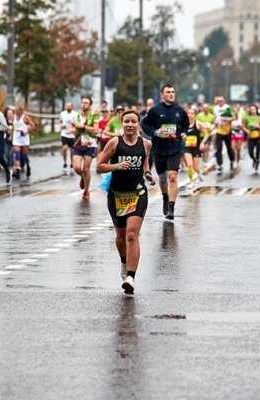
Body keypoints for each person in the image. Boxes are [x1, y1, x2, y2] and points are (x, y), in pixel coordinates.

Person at [96, 109, 153, 295]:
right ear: (122, 123)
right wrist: (117, 166)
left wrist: (147, 173)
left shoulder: (146, 144)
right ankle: (123, 261)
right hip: (116, 195)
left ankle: (130, 277)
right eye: (126, 121)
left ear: (138, 124)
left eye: (133, 122)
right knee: (121, 237)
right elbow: (99, 166)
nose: (130, 124)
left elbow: (145, 161)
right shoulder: (114, 143)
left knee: (131, 235)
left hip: (138, 193)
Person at [141, 84, 189, 221]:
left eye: (173, 92)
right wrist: (155, 132)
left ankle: (171, 208)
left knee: (172, 177)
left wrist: (182, 133)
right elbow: (145, 124)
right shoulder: (155, 111)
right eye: (168, 92)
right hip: (159, 149)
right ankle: (165, 197)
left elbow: (186, 125)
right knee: (162, 179)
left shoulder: (179, 111)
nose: (171, 94)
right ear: (162, 95)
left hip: (175, 148)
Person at [71, 96, 99, 200]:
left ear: (90, 105)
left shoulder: (94, 115)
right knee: (77, 168)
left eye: (86, 103)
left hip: (90, 144)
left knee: (86, 169)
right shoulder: (77, 114)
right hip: (79, 143)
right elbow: (74, 128)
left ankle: (86, 191)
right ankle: (83, 177)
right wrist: (75, 129)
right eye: (82, 103)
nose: (84, 105)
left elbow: (95, 129)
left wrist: (83, 127)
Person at [11, 106, 35, 180]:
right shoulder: (14, 117)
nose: (16, 113)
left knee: (24, 155)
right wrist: (12, 137)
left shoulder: (25, 117)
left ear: (21, 111)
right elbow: (13, 127)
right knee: (16, 153)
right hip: (16, 138)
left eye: (18, 111)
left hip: (24, 138)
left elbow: (33, 126)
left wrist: (26, 131)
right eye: (15, 111)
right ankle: (18, 169)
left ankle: (28, 166)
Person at [183, 107, 203, 187]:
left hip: (196, 148)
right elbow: (181, 133)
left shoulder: (198, 124)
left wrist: (203, 142)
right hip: (187, 147)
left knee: (196, 168)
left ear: (195, 115)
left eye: (192, 113)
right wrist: (183, 135)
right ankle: (192, 182)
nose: (190, 115)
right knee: (189, 166)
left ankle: (199, 173)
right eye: (188, 113)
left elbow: (207, 132)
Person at [243, 104, 260, 173]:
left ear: (256, 110)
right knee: (250, 152)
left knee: (258, 151)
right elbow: (243, 126)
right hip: (250, 136)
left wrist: (258, 127)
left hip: (259, 135)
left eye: (254, 109)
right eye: (251, 109)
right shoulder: (246, 118)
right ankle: (254, 159)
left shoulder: (259, 118)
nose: (253, 111)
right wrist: (246, 130)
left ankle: (257, 162)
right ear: (250, 110)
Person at [59, 102, 77, 175]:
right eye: (67, 106)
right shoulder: (62, 114)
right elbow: (60, 122)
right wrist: (61, 125)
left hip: (72, 135)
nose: (68, 107)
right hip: (64, 134)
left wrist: (73, 128)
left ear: (72, 107)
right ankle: (65, 162)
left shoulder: (75, 114)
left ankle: (72, 164)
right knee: (64, 148)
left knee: (72, 151)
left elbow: (76, 124)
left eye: (69, 106)